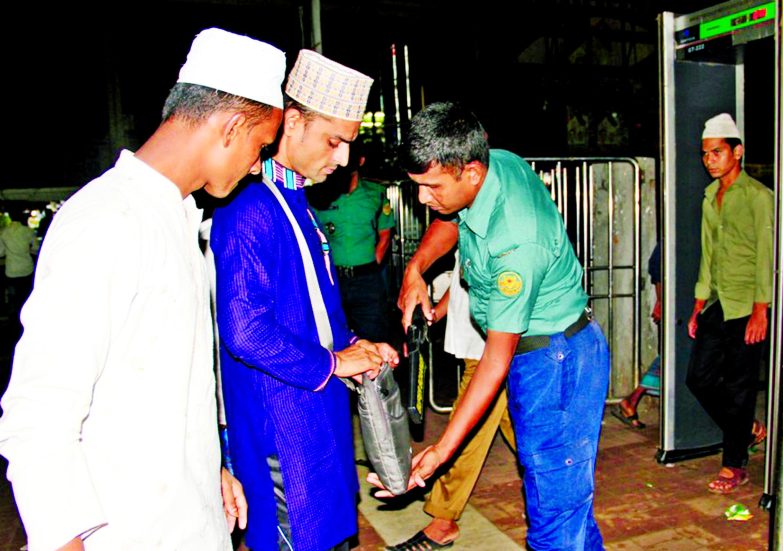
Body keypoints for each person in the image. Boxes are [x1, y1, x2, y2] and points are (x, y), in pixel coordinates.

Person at [0, 27, 286, 550]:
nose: (256, 164)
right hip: (124, 530)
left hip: (187, 519)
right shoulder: (107, 219)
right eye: (260, 146)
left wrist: (208, 472)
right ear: (231, 127)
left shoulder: (178, 217)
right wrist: (65, 538)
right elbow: (39, 410)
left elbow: (171, 384)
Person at [371, 101, 611, 551]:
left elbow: (495, 360)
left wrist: (441, 453)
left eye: (431, 186)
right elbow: (455, 222)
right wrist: (416, 268)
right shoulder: (495, 163)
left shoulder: (518, 241)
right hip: (540, 354)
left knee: (552, 524)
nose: (422, 199)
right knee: (566, 505)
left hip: (554, 364)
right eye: (417, 186)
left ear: (471, 173)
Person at [210, 49, 398, 551]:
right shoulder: (248, 208)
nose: (341, 159)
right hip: (282, 426)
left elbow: (312, 309)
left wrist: (358, 345)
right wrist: (335, 361)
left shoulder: (297, 201)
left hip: (319, 407)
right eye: (333, 141)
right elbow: (245, 329)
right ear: (291, 122)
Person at [387, 251, 517, 550]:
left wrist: (415, 267)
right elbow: (462, 281)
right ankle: (558, 488)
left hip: (489, 345)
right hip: (481, 342)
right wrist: (432, 316)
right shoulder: (471, 218)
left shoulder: (492, 216)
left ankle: (443, 521)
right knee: (521, 429)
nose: (424, 200)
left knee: (465, 431)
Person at [685, 113, 773, 495]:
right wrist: (697, 304)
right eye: (705, 154)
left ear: (737, 152)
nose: (709, 160)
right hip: (718, 302)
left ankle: (734, 465)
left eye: (717, 152)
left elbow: (767, 257)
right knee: (698, 377)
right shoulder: (710, 197)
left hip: (747, 305)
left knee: (740, 387)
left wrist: (761, 310)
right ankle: (748, 429)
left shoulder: (758, 197)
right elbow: (708, 254)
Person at [311, 142, 395, 342]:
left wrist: (371, 264)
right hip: (333, 279)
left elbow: (385, 234)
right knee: (332, 336)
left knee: (374, 336)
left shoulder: (376, 193)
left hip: (367, 280)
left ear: (360, 161)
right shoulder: (322, 195)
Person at [612, 242, 661, 429]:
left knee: (668, 361)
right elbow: (657, 270)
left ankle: (631, 400)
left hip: (678, 307)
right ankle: (631, 400)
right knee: (671, 360)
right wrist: (661, 302)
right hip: (675, 309)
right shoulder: (673, 238)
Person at [0, 208, 36, 335]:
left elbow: (0, 252)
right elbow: (35, 249)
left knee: (13, 298)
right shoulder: (28, 232)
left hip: (11, 270)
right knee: (27, 296)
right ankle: (28, 322)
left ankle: (14, 325)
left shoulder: (3, 233)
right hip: (27, 269)